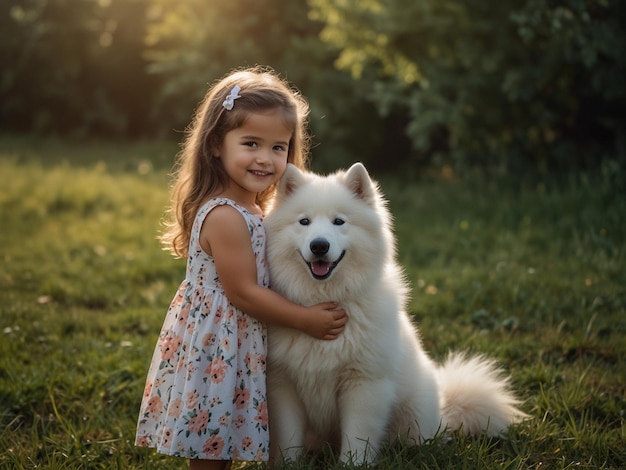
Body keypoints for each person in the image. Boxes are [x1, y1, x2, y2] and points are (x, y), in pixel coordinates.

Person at [135, 66, 348, 470]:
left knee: (224, 434)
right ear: (216, 144)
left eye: (278, 148)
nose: (265, 159)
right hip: (218, 345)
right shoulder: (226, 216)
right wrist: (304, 319)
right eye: (251, 143)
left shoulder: (253, 207)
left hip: (237, 341)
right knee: (211, 443)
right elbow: (243, 292)